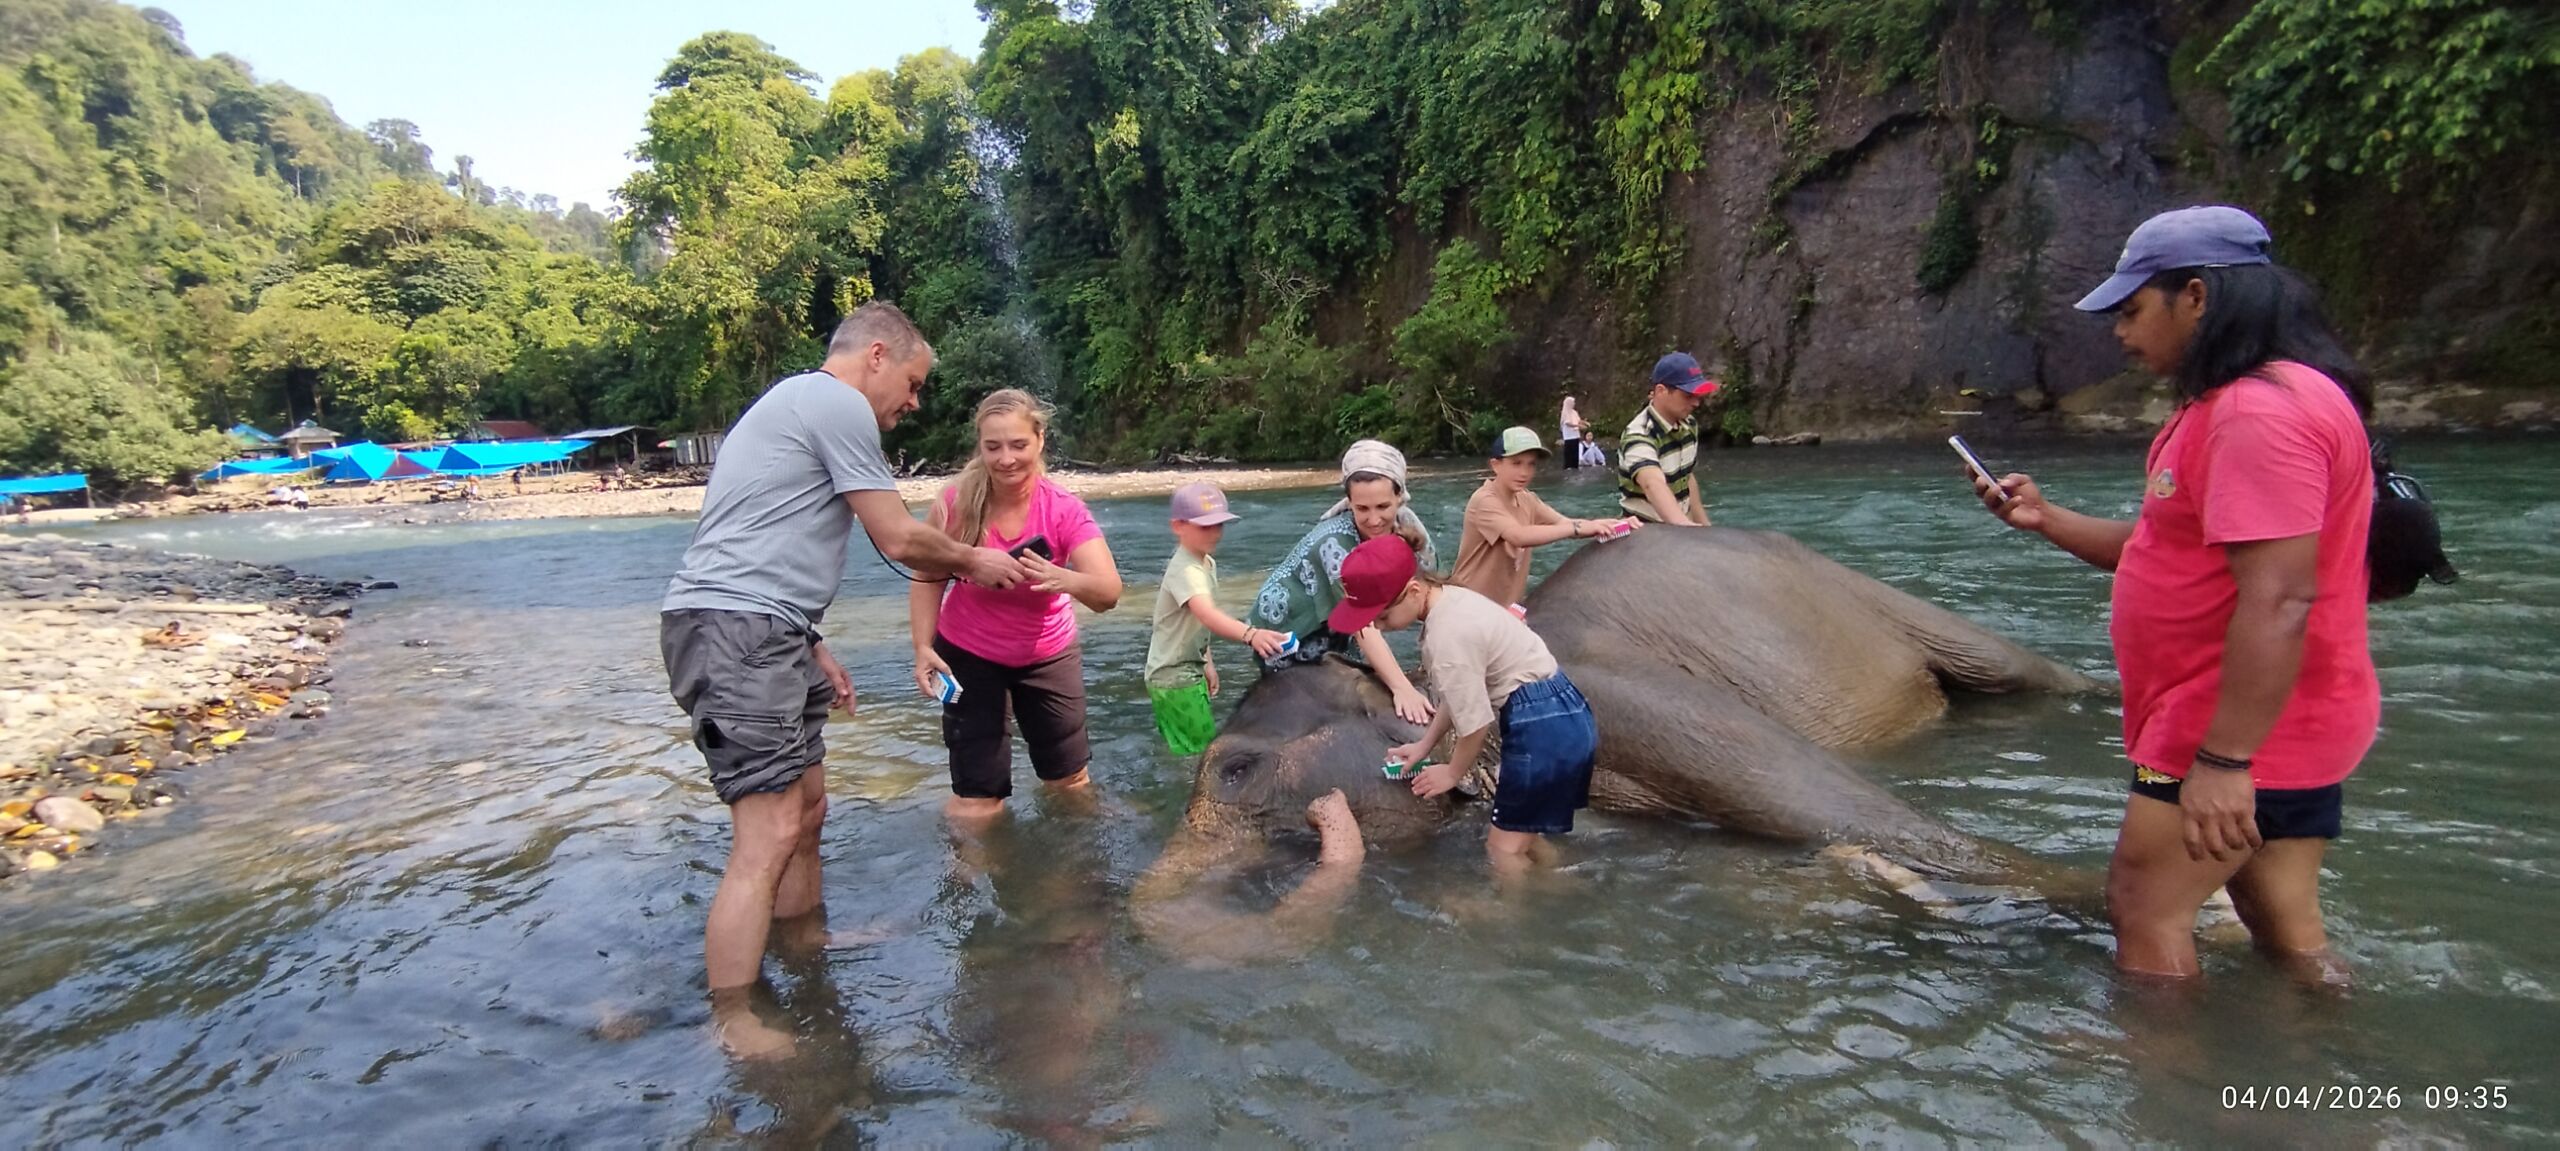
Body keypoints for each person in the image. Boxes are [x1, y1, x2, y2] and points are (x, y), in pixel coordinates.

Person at [1971, 205, 2376, 985]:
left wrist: (2224, 760)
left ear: (2196, 296)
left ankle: (2168, 1086)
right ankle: (2335, 1076)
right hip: (2286, 720)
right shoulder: (2259, 401)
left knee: (2144, 909)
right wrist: (2045, 518)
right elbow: (2174, 552)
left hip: (2224, 724)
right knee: (2290, 937)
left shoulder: (2257, 415)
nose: (2120, 333)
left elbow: (2282, 598)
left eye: (2132, 310)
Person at [661, 301, 1027, 1053]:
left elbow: (761, 536)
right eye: (915, 383)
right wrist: (974, 560)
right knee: (764, 834)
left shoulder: (798, 403)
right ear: (878, 356)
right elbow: (895, 535)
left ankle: (806, 949)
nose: (914, 403)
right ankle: (731, 1018)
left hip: (766, 627)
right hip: (735, 631)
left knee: (808, 810)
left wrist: (808, 640)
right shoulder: (834, 402)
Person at [911, 388, 1122, 823]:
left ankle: (1070, 876)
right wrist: (921, 646)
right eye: (993, 447)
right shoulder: (955, 504)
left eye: (1018, 445)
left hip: (1047, 655)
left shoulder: (1064, 511)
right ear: (980, 447)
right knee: (978, 798)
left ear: (1040, 440)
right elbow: (927, 573)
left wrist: (1064, 579)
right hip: (967, 653)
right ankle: (964, 883)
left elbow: (1108, 592)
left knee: (1069, 784)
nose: (1006, 458)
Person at [1330, 536, 1599, 873]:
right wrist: (1424, 745)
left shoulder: (1448, 636)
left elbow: (1475, 722)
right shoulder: (1452, 599)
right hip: (1564, 712)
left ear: (1413, 591)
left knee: (1503, 852)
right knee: (1525, 834)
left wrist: (1452, 772)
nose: (1379, 627)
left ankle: (1515, 916)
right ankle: (1561, 886)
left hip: (1541, 726)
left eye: (1382, 618)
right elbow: (1458, 696)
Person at [1246, 439, 1438, 723]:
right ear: (1349, 503)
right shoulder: (1334, 544)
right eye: (1362, 509)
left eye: (1383, 506)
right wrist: (1402, 689)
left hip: (1334, 624)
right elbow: (1364, 626)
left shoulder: (1407, 525)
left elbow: (1431, 588)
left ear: (1401, 496)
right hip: (1288, 635)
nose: (1374, 520)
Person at [1144, 482, 1288, 756]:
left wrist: (1207, 662)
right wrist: (1251, 634)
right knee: (1200, 754)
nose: (1215, 533)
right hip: (1174, 678)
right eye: (1205, 526)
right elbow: (1208, 615)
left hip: (1187, 670)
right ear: (1178, 526)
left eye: (1219, 525)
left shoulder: (1205, 562)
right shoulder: (1186, 570)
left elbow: (1195, 621)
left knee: (1187, 746)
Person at [1451, 427, 1635, 610]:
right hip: (1467, 607)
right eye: (1516, 463)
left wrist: (1613, 525)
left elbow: (1564, 523)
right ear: (1495, 465)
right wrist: (1578, 528)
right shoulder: (1484, 500)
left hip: (1503, 611)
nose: (1525, 472)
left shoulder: (1526, 498)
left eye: (1531, 464)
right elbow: (1518, 536)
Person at [1617, 352, 1719, 526]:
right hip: (1645, 535)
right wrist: (1683, 526)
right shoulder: (1639, 434)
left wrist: (1706, 529)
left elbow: (1687, 478)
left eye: (1697, 396)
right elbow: (1652, 483)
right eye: (1688, 395)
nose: (1696, 403)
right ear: (1661, 391)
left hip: (1679, 532)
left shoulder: (1689, 425)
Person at [1558, 396, 1588, 469]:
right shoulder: (1565, 413)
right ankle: (1568, 467)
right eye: (1572, 402)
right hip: (1568, 436)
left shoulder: (1574, 412)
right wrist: (1578, 425)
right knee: (1569, 453)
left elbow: (1578, 420)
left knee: (1575, 452)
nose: (1574, 404)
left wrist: (1585, 423)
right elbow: (1567, 423)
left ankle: (1575, 466)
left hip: (1575, 435)